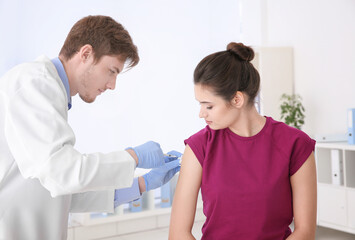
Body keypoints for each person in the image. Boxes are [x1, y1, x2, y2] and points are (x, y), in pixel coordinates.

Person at [0, 15, 180, 240]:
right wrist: (133, 156)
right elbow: (62, 174)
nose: (112, 85)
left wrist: (141, 184)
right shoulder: (32, 83)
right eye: (111, 71)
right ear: (85, 54)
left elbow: (60, 192)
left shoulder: (50, 93)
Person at [169, 42, 317, 240]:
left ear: (237, 100)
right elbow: (178, 234)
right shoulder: (199, 147)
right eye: (200, 104)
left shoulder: (296, 145)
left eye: (209, 106)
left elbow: (305, 231)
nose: (201, 114)